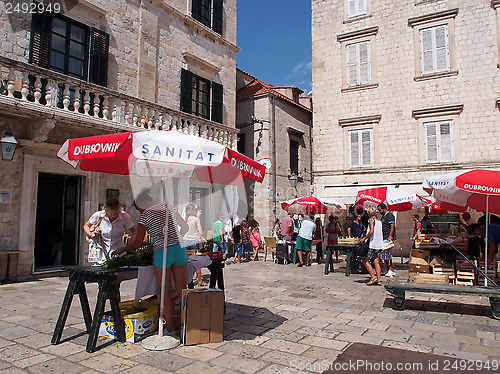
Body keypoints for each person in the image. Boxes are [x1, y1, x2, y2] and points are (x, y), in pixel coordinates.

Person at [112, 189, 188, 336]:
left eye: (139, 209)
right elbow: (185, 227)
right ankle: (186, 325)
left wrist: (121, 249)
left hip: (162, 252)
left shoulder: (145, 215)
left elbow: (137, 243)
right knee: (181, 290)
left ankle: (171, 330)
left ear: (141, 203)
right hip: (180, 249)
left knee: (164, 292)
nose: (140, 212)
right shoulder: (169, 207)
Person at [83, 198, 137, 265]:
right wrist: (90, 234)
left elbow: (134, 231)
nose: (112, 216)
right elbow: (86, 226)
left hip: (118, 252)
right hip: (101, 252)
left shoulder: (124, 217)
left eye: (115, 213)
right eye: (110, 213)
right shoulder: (98, 215)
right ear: (106, 210)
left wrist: (132, 239)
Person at [183, 204, 207, 287]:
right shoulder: (196, 219)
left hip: (185, 241)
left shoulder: (186, 219)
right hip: (193, 241)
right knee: (196, 261)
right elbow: (200, 232)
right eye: (196, 209)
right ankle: (200, 280)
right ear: (192, 211)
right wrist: (198, 218)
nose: (197, 210)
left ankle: (187, 281)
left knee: (187, 262)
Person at [360, 207, 383, 285]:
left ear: (369, 214)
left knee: (365, 260)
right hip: (379, 244)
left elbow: (371, 232)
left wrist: (364, 238)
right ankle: (379, 280)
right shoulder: (379, 221)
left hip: (372, 244)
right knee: (376, 262)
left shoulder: (371, 220)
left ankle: (373, 277)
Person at [377, 203, 396, 277]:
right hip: (384, 237)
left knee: (387, 254)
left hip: (387, 237)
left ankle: (391, 269)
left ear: (384, 209)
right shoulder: (383, 217)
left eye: (380, 210)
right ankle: (386, 268)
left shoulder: (389, 216)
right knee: (384, 255)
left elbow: (392, 225)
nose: (379, 212)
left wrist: (390, 235)